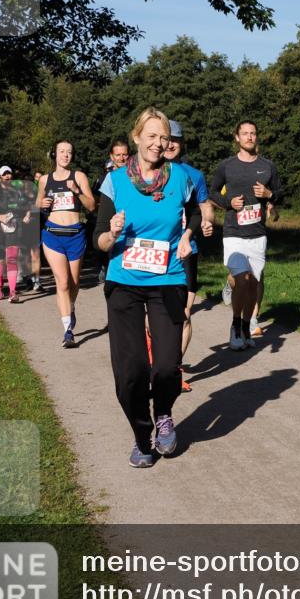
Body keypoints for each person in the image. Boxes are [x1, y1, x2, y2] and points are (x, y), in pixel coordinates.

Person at [93, 107, 201, 467]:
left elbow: (196, 212)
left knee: (167, 365)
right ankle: (142, 437)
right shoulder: (115, 182)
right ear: (137, 137)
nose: (158, 143)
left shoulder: (180, 177)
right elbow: (99, 241)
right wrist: (112, 232)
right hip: (124, 282)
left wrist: (187, 235)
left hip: (168, 280)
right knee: (131, 371)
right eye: (152, 136)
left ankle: (164, 411)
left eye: (163, 137)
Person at [209, 121, 283, 350]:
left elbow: (280, 193)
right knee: (243, 280)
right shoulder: (226, 166)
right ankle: (235, 325)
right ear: (237, 137)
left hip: (258, 234)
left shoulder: (267, 166)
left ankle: (246, 325)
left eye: (253, 133)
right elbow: (212, 192)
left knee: (254, 285)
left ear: (256, 137)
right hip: (234, 233)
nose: (249, 137)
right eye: (245, 134)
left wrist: (269, 194)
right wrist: (228, 203)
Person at [162, 121, 214, 385]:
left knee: (183, 314)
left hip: (186, 251)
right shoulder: (149, 172)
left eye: (176, 140)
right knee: (154, 316)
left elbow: (205, 206)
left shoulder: (194, 175)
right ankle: (157, 360)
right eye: (167, 139)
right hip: (156, 252)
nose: (171, 144)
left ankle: (174, 369)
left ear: (182, 144)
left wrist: (207, 222)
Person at [37, 141, 95, 347]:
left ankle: (71, 306)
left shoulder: (79, 177)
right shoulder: (45, 180)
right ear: (54, 154)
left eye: (69, 152)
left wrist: (77, 191)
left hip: (75, 235)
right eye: (61, 151)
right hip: (52, 235)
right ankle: (67, 330)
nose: (65, 155)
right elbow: (38, 203)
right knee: (62, 283)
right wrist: (40, 204)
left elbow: (91, 205)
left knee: (74, 282)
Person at [0, 165, 30, 302]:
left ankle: (12, 291)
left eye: (9, 174)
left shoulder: (18, 191)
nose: (7, 176)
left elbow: (27, 206)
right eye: (4, 174)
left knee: (12, 258)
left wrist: (27, 216)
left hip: (14, 226)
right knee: (0, 258)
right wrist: (0, 217)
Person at [94, 139, 130, 283]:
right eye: (118, 155)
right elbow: (96, 197)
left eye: (125, 155)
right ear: (111, 156)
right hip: (109, 222)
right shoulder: (106, 178)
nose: (121, 158)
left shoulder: (136, 176)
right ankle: (105, 268)